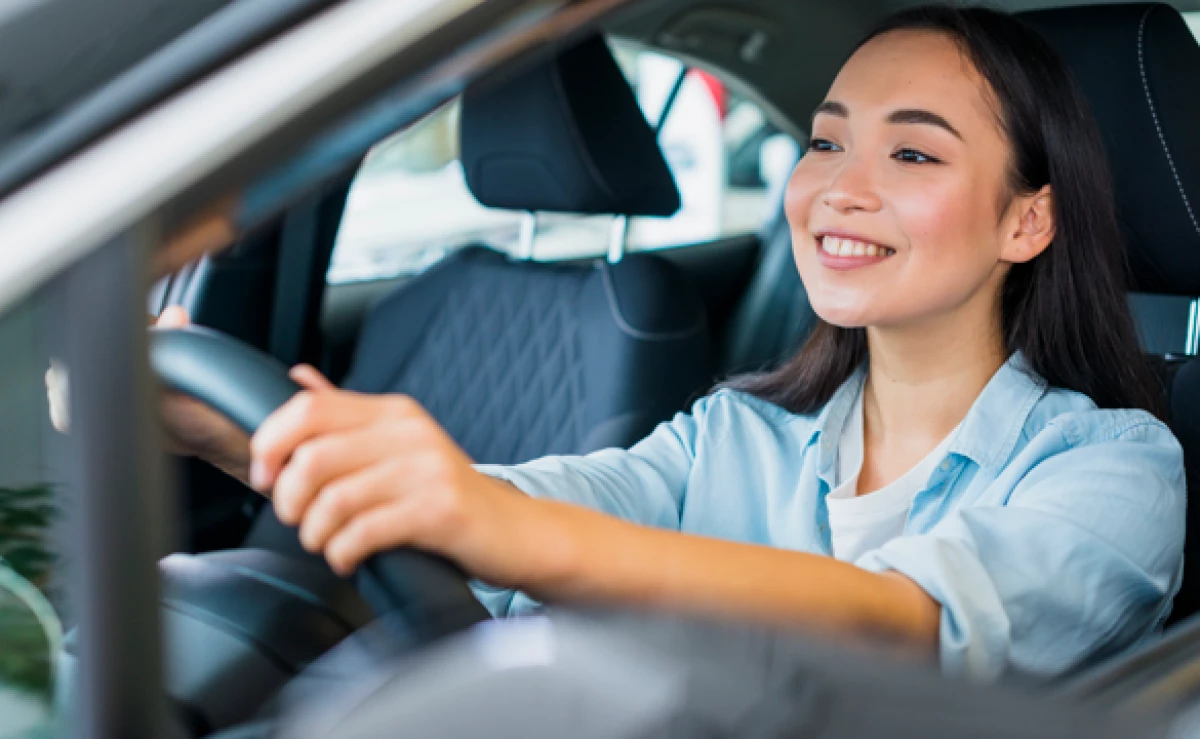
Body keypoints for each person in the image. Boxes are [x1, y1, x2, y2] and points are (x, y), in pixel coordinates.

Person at [140, 6, 1187, 681]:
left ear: (1026, 222)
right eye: (825, 140)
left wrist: (501, 528)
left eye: (911, 150)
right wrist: (245, 438)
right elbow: (553, 502)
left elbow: (903, 628)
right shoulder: (739, 431)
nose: (837, 188)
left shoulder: (1116, 467)